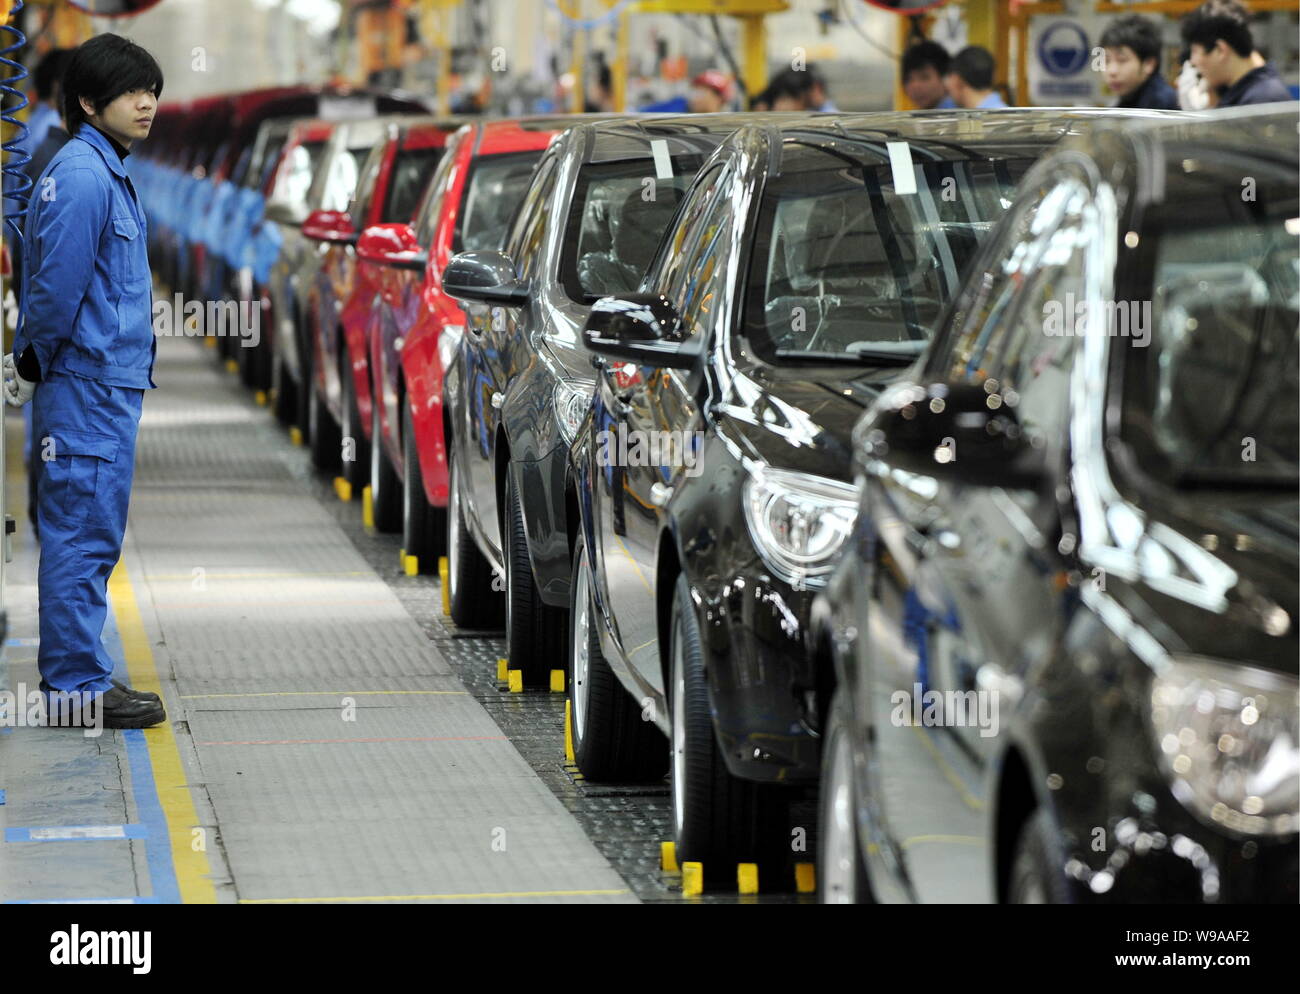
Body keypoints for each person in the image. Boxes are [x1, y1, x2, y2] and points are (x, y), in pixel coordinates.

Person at [2, 34, 166, 729]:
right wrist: (33, 358)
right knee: (80, 530)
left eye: (153, 90)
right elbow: (56, 285)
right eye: (133, 92)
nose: (148, 103)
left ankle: (78, 675)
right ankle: (75, 686)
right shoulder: (85, 175)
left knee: (88, 527)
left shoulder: (102, 168)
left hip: (102, 385)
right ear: (89, 101)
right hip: (86, 387)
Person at [1181, 0, 1292, 106]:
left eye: (1195, 51)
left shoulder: (1262, 101)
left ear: (1220, 50)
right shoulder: (1236, 93)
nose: (1192, 61)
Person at [1100, 14, 1179, 109]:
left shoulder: (1160, 104)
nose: (1112, 71)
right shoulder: (1129, 97)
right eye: (1106, 60)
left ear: (1149, 64)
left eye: (1122, 60)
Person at [902, 40, 956, 109]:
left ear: (945, 77)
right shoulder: (920, 115)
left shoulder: (957, 114)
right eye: (908, 79)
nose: (915, 86)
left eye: (924, 77)